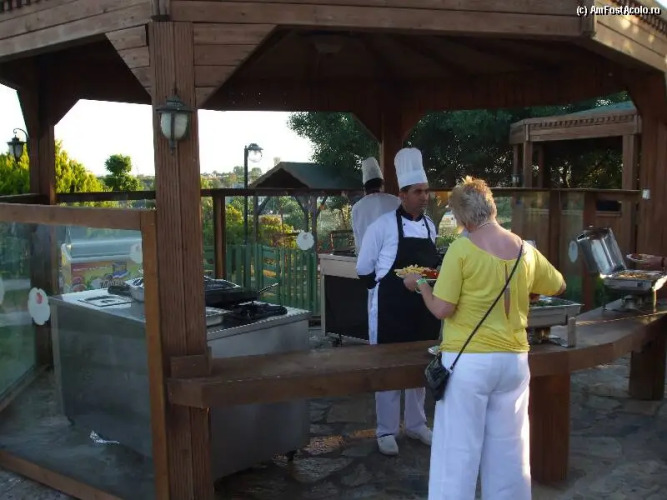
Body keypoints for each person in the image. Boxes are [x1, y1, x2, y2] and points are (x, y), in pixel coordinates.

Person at [403, 176, 566, 500]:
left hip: (469, 365)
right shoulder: (525, 249)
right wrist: (528, 290)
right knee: (510, 452)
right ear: (491, 208)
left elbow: (443, 309)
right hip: (514, 363)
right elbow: (558, 285)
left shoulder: (461, 249)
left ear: (463, 217)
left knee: (457, 454)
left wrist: (420, 284)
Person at [356, 147, 441, 456]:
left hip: (423, 307)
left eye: (426, 191)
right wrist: (395, 285)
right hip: (390, 309)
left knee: (421, 366)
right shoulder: (381, 227)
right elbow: (365, 271)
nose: (424, 197)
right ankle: (386, 429)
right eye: (418, 191)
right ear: (402, 195)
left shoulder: (430, 226)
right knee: (388, 370)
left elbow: (431, 264)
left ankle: (417, 424)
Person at [351, 157, 400, 254]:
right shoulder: (396, 201)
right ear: (381, 183)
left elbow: (358, 241)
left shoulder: (357, 208)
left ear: (365, 186)